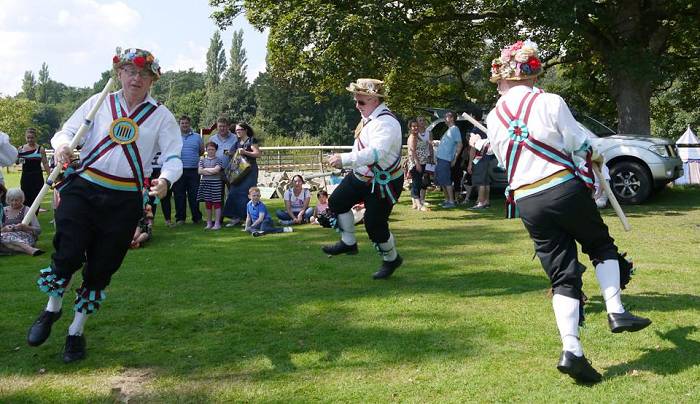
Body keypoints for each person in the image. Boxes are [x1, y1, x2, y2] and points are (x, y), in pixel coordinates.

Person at [470, 39, 650, 384]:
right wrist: (594, 155)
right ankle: (616, 311)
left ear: (505, 79)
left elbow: (504, 160)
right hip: (562, 188)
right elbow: (577, 142)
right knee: (601, 246)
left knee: (562, 276)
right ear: (533, 75)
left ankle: (572, 351)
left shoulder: (494, 117)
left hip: (526, 200)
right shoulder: (550, 101)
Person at [26, 47, 183, 363]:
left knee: (101, 268)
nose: (136, 78)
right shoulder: (100, 102)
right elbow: (66, 132)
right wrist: (63, 147)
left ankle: (76, 332)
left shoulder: (161, 116)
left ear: (152, 80)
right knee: (68, 252)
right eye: (130, 71)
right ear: (120, 73)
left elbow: (173, 156)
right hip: (83, 189)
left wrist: (166, 180)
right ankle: (52, 310)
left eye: (143, 74)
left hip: (124, 199)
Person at [324, 78, 404, 280]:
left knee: (375, 225)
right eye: (356, 101)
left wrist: (344, 159)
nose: (357, 106)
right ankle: (349, 242)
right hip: (361, 175)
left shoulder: (386, 123)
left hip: (384, 182)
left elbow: (376, 153)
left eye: (361, 102)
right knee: (337, 202)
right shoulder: (369, 118)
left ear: (375, 100)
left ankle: (391, 259)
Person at [222, 122, 261, 226]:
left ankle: (248, 218)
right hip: (239, 172)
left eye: (239, 130)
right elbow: (233, 153)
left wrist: (245, 152)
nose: (237, 132)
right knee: (233, 192)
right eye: (236, 131)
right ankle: (235, 217)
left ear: (245, 130)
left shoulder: (251, 140)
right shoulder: (237, 142)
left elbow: (258, 154)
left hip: (250, 171)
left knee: (247, 194)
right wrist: (228, 153)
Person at [173, 116, 203, 225]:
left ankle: (196, 218)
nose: (184, 125)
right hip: (179, 170)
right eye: (182, 123)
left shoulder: (197, 137)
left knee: (194, 194)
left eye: (186, 123)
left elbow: (201, 151)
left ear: (189, 124)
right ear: (179, 124)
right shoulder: (174, 137)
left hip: (194, 171)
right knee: (179, 195)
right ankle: (180, 218)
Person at [208, 116, 238, 213]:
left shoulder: (235, 138)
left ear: (228, 127)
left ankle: (234, 216)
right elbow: (209, 153)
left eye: (224, 126)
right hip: (217, 171)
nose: (222, 128)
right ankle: (219, 218)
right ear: (217, 127)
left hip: (231, 170)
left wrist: (232, 153)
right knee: (218, 196)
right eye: (220, 126)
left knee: (233, 194)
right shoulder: (212, 139)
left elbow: (239, 153)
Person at [1, 188, 44, 256]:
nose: (14, 203)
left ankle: (22, 248)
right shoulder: (3, 210)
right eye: (11, 200)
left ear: (21, 199)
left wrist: (25, 227)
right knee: (4, 237)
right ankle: (29, 250)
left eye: (16, 200)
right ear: (8, 200)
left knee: (4, 238)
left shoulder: (27, 210)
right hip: (5, 237)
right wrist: (4, 229)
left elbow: (38, 230)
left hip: (24, 237)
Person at [467, 113, 496, 209]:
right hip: (488, 158)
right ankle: (486, 201)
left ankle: (480, 202)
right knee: (486, 181)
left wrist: (470, 163)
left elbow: (473, 148)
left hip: (479, 158)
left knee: (480, 182)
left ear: (473, 116)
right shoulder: (485, 128)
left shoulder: (475, 130)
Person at [17, 128, 51, 208]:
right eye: (28, 138)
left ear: (35, 138)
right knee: (25, 199)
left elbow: (45, 163)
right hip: (26, 177)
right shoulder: (21, 148)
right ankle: (26, 215)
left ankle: (35, 215)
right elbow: (17, 162)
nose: (30, 140)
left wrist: (49, 175)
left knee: (37, 199)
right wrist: (18, 158)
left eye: (32, 138)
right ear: (25, 137)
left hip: (37, 178)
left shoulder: (40, 149)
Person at [434, 111, 462, 208]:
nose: (444, 119)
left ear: (452, 118)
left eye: (446, 117)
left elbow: (460, 145)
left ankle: (451, 201)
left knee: (446, 181)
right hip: (440, 158)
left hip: (446, 159)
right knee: (442, 181)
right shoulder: (449, 130)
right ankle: (446, 199)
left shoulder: (455, 129)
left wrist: (455, 159)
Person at [197, 141, 225, 229]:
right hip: (205, 183)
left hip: (216, 183)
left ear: (215, 150)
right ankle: (209, 223)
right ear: (206, 150)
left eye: (212, 149)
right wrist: (211, 170)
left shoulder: (219, 160)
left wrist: (205, 170)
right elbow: (199, 171)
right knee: (208, 204)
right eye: (209, 149)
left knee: (217, 203)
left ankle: (217, 224)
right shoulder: (202, 160)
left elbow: (217, 170)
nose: (210, 151)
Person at [407, 119, 430, 211]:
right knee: (417, 183)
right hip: (416, 164)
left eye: (416, 126)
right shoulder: (412, 137)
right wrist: (417, 164)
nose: (415, 128)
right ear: (410, 128)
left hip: (422, 163)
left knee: (417, 183)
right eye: (413, 126)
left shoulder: (417, 136)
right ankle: (419, 204)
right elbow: (413, 152)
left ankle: (416, 204)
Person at [149, 151, 173, 225]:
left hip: (164, 173)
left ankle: (168, 220)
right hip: (151, 173)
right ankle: (151, 220)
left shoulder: (165, 147)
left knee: (165, 197)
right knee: (151, 198)